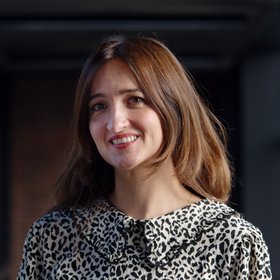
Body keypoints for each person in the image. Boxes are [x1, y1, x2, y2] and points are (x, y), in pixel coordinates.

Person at [17, 35, 272, 279]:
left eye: (135, 99)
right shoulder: (52, 236)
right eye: (99, 106)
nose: (115, 124)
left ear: (174, 109)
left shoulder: (233, 240)